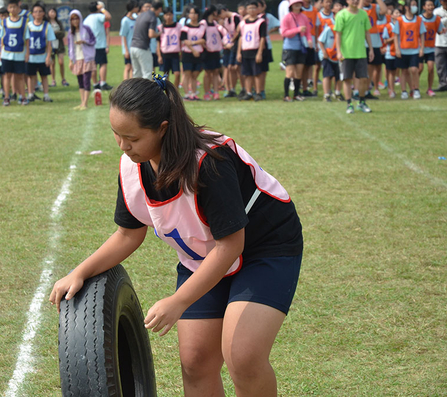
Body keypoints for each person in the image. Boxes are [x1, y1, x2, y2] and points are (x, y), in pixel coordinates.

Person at [49, 76, 303, 397]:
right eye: (116, 134)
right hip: (204, 255)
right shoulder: (132, 166)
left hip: (262, 248)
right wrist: (80, 272)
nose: (123, 146)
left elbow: (231, 245)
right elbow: (128, 235)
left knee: (243, 357)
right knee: (196, 361)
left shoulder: (209, 163)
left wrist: (178, 301)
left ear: (163, 128)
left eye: (132, 137)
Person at [335, 0, 374, 113]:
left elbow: (367, 32)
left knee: (363, 79)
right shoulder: (341, 14)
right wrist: (339, 51)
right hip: (346, 53)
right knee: (347, 79)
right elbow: (338, 34)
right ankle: (349, 104)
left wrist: (371, 49)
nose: (355, 1)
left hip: (361, 52)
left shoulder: (363, 14)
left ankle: (361, 102)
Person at [280, 0, 313, 101]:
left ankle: (296, 94)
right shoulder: (287, 17)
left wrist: (309, 40)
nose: (297, 5)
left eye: (299, 3)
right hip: (289, 48)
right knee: (289, 72)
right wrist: (297, 30)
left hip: (301, 47)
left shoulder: (304, 17)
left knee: (299, 72)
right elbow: (284, 33)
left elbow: (308, 31)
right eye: (295, 3)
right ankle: (286, 95)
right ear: (291, 6)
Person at [394, 0, 426, 99]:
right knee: (404, 71)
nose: (414, 7)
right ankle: (404, 91)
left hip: (414, 49)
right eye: (412, 5)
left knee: (414, 69)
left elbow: (422, 34)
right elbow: (396, 35)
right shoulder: (400, 20)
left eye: (415, 5)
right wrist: (397, 49)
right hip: (403, 49)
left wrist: (422, 48)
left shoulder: (419, 20)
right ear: (407, 7)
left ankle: (416, 89)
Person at [0, 0, 30, 106]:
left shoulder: (24, 22)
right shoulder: (4, 22)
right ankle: (7, 97)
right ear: (8, 9)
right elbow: (2, 38)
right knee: (7, 75)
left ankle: (23, 97)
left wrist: (27, 54)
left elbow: (27, 39)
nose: (13, 9)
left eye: (15, 7)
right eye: (11, 7)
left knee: (20, 76)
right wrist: (0, 53)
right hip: (6, 53)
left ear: (18, 8)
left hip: (20, 53)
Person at [237, 0, 267, 101]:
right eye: (249, 8)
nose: (252, 10)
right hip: (246, 50)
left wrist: (259, 52)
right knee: (247, 73)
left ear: (257, 9)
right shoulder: (243, 23)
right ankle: (248, 92)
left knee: (257, 73)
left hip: (255, 49)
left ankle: (258, 92)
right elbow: (241, 37)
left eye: (254, 8)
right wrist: (239, 52)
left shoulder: (260, 22)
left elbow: (262, 38)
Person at [67, 9, 96, 110]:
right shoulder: (71, 32)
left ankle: (85, 103)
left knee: (86, 80)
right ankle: (82, 102)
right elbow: (70, 47)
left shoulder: (86, 29)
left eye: (76, 18)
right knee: (80, 81)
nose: (75, 21)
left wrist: (84, 41)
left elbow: (93, 40)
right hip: (77, 59)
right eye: (72, 19)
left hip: (87, 58)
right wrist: (70, 60)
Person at [26, 2, 55, 103]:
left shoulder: (47, 26)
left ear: (43, 13)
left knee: (44, 76)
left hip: (42, 56)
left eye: (40, 11)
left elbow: (49, 42)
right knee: (30, 75)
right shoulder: (28, 26)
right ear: (32, 14)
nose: (38, 13)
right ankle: (30, 94)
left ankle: (46, 95)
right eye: (35, 12)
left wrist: (48, 56)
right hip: (31, 56)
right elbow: (26, 42)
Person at [360, 0, 387, 99]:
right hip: (363, 41)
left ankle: (369, 89)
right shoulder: (359, 8)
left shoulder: (375, 7)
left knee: (376, 66)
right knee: (367, 67)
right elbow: (358, 11)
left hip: (374, 41)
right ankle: (363, 90)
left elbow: (384, 10)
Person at [83, 1, 112, 90]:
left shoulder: (86, 19)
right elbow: (108, 17)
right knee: (103, 63)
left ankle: (95, 84)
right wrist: (102, 9)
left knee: (93, 65)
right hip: (99, 44)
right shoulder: (99, 16)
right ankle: (103, 82)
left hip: (90, 46)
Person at [318, 3, 344, 102]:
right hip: (327, 56)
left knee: (339, 75)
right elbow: (320, 40)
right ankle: (326, 94)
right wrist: (324, 52)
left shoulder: (344, 29)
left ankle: (337, 93)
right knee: (327, 75)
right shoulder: (329, 28)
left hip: (339, 55)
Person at [130, 0, 162, 79]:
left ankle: (135, 91)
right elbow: (151, 34)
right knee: (147, 73)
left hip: (133, 46)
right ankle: (146, 92)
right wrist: (159, 33)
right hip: (142, 48)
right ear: (159, 9)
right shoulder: (152, 17)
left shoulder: (141, 15)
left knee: (136, 73)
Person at [420, 0, 446, 95]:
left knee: (431, 68)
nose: (430, 7)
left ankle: (429, 89)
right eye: (428, 5)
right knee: (419, 69)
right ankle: (414, 87)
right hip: (420, 47)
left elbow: (439, 31)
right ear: (424, 7)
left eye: (432, 5)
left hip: (431, 47)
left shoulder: (436, 19)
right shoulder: (419, 19)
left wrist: (442, 30)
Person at [180, 5, 205, 100]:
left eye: (195, 13)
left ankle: (194, 93)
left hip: (199, 53)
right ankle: (187, 94)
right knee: (187, 74)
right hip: (188, 53)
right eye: (191, 13)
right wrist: (193, 50)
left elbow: (203, 40)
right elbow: (184, 41)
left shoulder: (202, 27)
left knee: (195, 74)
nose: (193, 15)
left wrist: (194, 43)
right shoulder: (185, 28)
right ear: (188, 15)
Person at [202, 5, 227, 100]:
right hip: (207, 52)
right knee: (208, 72)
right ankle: (207, 92)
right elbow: (201, 36)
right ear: (213, 12)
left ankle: (216, 92)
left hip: (216, 51)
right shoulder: (203, 23)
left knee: (216, 71)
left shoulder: (215, 24)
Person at [218, 5, 241, 97]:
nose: (220, 18)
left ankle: (239, 88)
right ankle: (230, 89)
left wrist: (232, 41)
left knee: (235, 68)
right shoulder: (226, 20)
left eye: (220, 15)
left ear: (224, 11)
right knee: (227, 67)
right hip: (228, 46)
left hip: (235, 46)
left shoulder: (236, 17)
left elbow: (238, 32)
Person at [157, 7, 182, 87]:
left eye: (170, 15)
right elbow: (158, 43)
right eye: (167, 15)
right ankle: (167, 90)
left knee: (177, 73)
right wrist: (159, 56)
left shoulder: (178, 26)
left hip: (175, 53)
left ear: (173, 15)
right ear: (164, 16)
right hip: (165, 53)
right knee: (165, 74)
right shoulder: (161, 27)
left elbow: (181, 40)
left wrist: (181, 51)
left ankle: (175, 89)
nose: (168, 17)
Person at [300, 0, 320, 96]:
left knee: (308, 66)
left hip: (310, 41)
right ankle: (298, 86)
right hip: (300, 41)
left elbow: (316, 27)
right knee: (300, 66)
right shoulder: (298, 9)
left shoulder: (314, 10)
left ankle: (305, 88)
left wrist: (316, 42)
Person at [47, 7, 68, 87]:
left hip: (59, 45)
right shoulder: (47, 23)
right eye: (51, 12)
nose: (52, 14)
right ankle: (53, 80)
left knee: (61, 62)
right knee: (52, 64)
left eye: (54, 12)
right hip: (51, 46)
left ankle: (63, 79)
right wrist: (55, 34)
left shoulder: (58, 23)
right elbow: (47, 34)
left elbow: (62, 34)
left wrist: (53, 34)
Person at [382, 7, 401, 98]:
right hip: (390, 52)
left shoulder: (402, 25)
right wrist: (394, 38)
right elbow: (385, 41)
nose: (398, 15)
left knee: (398, 71)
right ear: (392, 16)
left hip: (400, 51)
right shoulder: (388, 26)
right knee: (391, 72)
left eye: (399, 13)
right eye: (396, 13)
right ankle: (391, 89)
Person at [120, 0, 138, 80]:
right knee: (128, 66)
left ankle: (131, 83)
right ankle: (126, 83)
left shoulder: (135, 19)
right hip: (128, 47)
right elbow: (123, 36)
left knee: (133, 67)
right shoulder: (125, 20)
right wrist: (126, 50)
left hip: (135, 47)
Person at [434, 0, 447, 91]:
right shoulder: (437, 11)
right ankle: (443, 84)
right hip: (439, 42)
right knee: (440, 66)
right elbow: (438, 23)